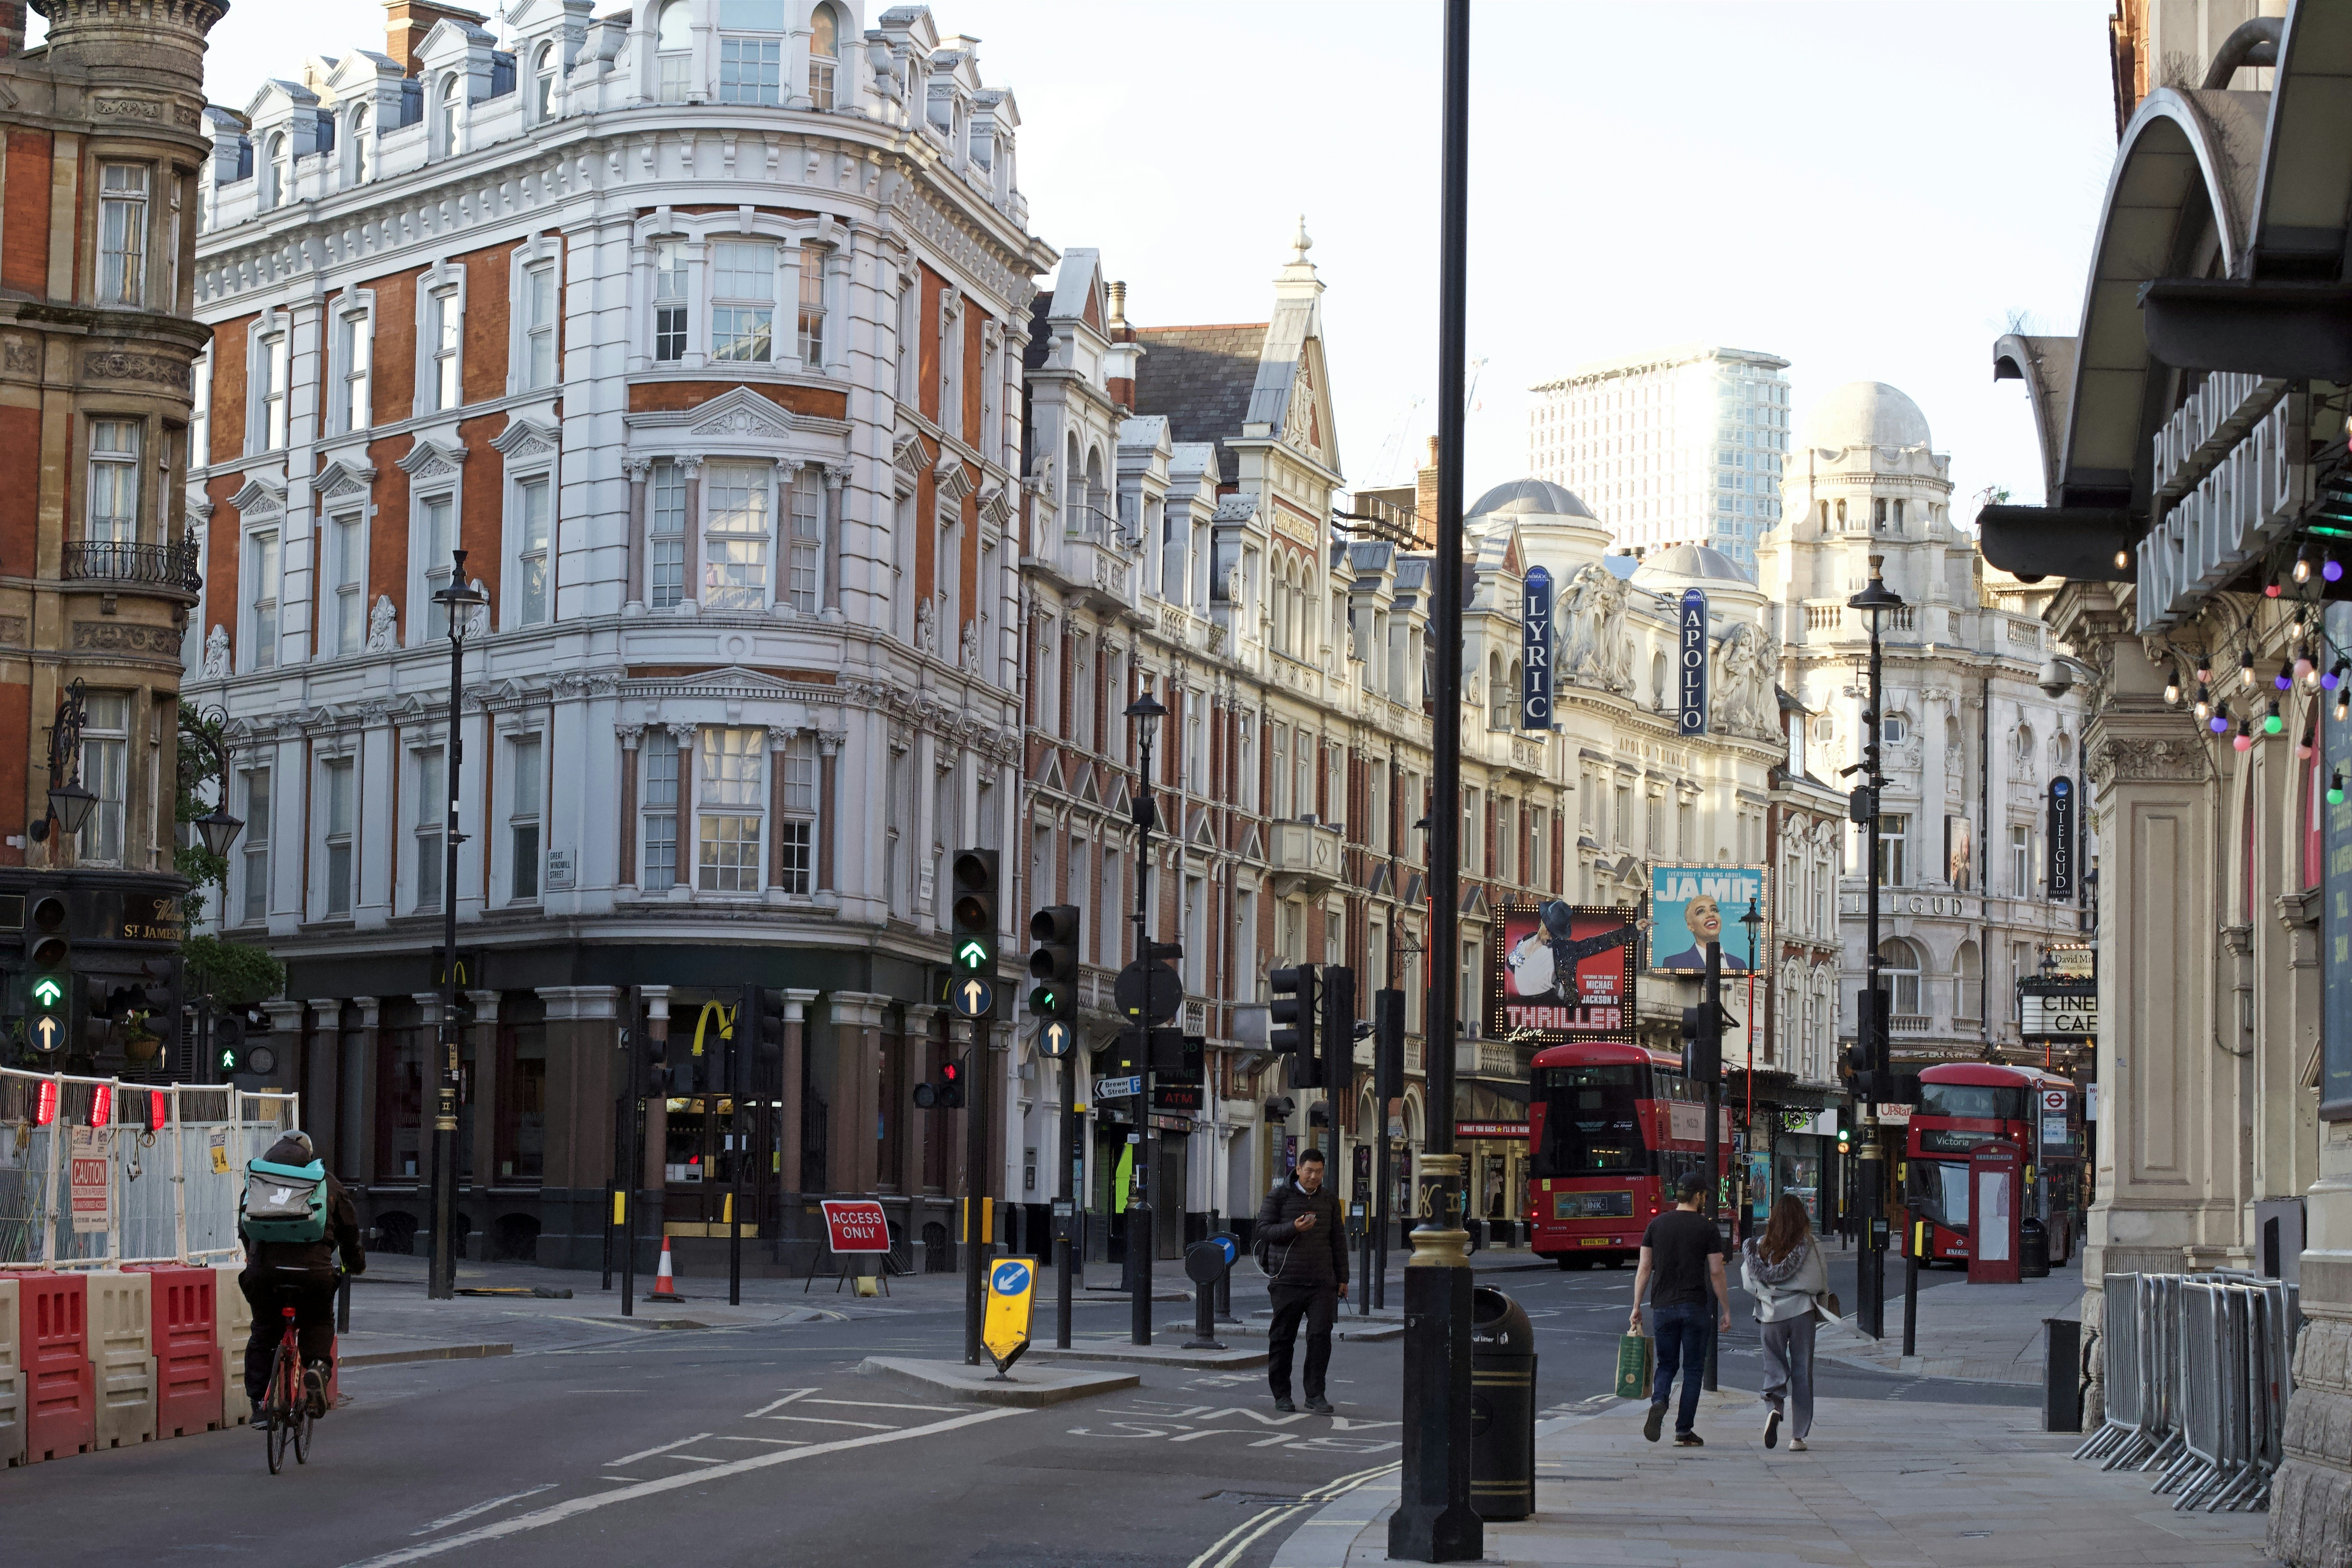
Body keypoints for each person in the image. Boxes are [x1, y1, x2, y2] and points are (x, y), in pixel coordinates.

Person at [238, 1131, 363, 1421]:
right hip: (313, 1274)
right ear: (308, 1155)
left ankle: (259, 1404)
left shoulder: (257, 1180)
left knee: (263, 1331)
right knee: (318, 1320)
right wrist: (354, 1263)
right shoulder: (324, 1182)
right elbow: (349, 1230)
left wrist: (254, 1258)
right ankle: (317, 1368)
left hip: (265, 1275)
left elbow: (245, 1226)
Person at [1627, 1172, 1730, 1447]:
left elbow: (1644, 1268)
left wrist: (1636, 1306)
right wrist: (1725, 1308)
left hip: (1662, 1307)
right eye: (1705, 1196)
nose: (1705, 1200)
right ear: (1697, 1196)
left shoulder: (1656, 1225)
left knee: (1667, 1365)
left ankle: (1660, 1399)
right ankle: (1683, 1430)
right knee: (1694, 1369)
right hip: (1695, 1306)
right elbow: (1717, 1271)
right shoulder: (1707, 1228)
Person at [1256, 1146, 1348, 1414]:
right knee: (1283, 1338)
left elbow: (1338, 1241)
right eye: (1309, 1171)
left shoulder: (1329, 1201)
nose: (1314, 1177)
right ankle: (1282, 1394)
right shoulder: (1279, 1197)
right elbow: (1263, 1231)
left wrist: (1343, 1279)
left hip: (1322, 1282)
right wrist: (1292, 1228)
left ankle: (1315, 1394)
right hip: (1287, 1280)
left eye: (1319, 1172)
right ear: (1298, 1170)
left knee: (1320, 1338)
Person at [1741, 1194, 1829, 1452]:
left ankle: (1774, 1409)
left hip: (1770, 1316)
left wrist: (1765, 1296)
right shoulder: (1810, 1246)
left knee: (1773, 1367)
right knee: (1803, 1372)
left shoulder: (1759, 1247)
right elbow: (1820, 1281)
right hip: (1802, 1312)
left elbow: (1749, 1284)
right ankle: (1798, 1436)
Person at [1651, 895, 1749, 973]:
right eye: (1701, 912)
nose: (1711, 914)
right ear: (1691, 926)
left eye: (1714, 910)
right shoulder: (1674, 963)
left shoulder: (1739, 964)